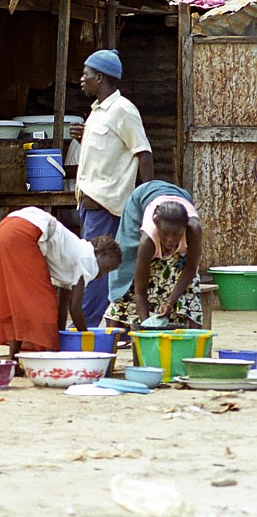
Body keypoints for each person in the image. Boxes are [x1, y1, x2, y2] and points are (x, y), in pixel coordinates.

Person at [69, 48, 154, 327]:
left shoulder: (123, 110)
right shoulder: (97, 112)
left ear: (100, 77)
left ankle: (91, 326)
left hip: (107, 207)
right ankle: (97, 323)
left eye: (86, 74)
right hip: (89, 206)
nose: (82, 79)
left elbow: (143, 152)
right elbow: (107, 155)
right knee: (96, 266)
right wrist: (85, 139)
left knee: (96, 267)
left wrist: (146, 198)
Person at [0, 206, 121, 363]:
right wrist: (86, 337)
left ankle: (14, 360)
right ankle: (50, 361)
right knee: (43, 305)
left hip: (6, 227)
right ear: (99, 252)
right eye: (106, 267)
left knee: (20, 304)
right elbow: (74, 307)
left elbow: (63, 306)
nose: (102, 274)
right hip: (25, 231)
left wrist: (60, 336)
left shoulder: (70, 258)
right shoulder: (88, 258)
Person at [105, 181, 203, 330]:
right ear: (156, 224)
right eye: (165, 234)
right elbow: (140, 290)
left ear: (185, 227)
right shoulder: (147, 239)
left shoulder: (194, 230)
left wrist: (170, 302)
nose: (170, 239)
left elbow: (190, 269)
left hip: (181, 197)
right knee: (127, 266)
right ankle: (113, 328)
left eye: (176, 234)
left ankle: (195, 337)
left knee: (190, 285)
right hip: (142, 197)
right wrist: (147, 326)